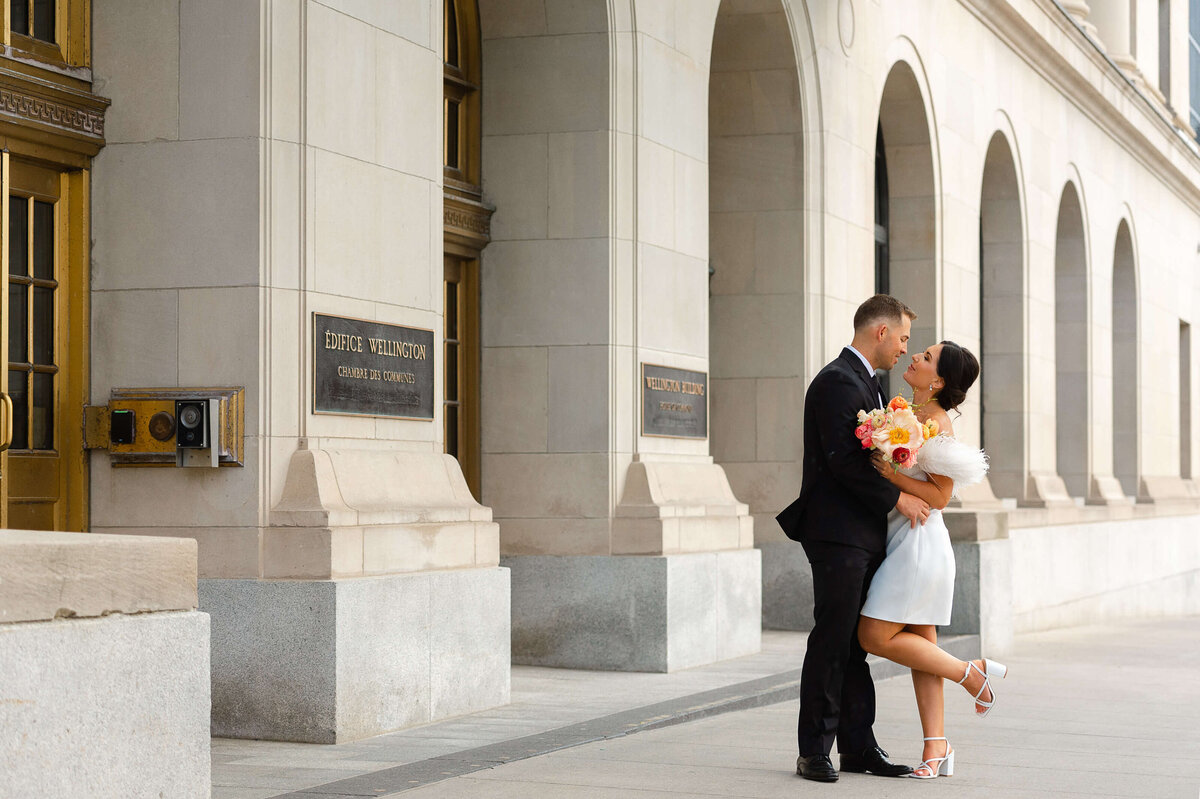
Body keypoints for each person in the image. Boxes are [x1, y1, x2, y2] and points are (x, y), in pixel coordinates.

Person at [776, 294, 930, 783]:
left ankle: (859, 747)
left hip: (864, 534)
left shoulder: (871, 385)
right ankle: (814, 751)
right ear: (880, 332)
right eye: (903, 338)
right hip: (837, 534)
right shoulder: (836, 382)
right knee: (832, 639)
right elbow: (843, 461)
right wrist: (898, 499)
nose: (905, 350)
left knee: (857, 644)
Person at [857, 340, 1002, 780]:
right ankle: (936, 747)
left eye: (925, 357)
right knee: (923, 647)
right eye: (918, 350)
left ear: (937, 381)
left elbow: (939, 496)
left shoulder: (936, 423)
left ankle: (970, 673)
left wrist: (890, 475)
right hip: (903, 537)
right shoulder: (907, 413)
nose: (915, 357)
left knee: (873, 635)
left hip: (919, 543)